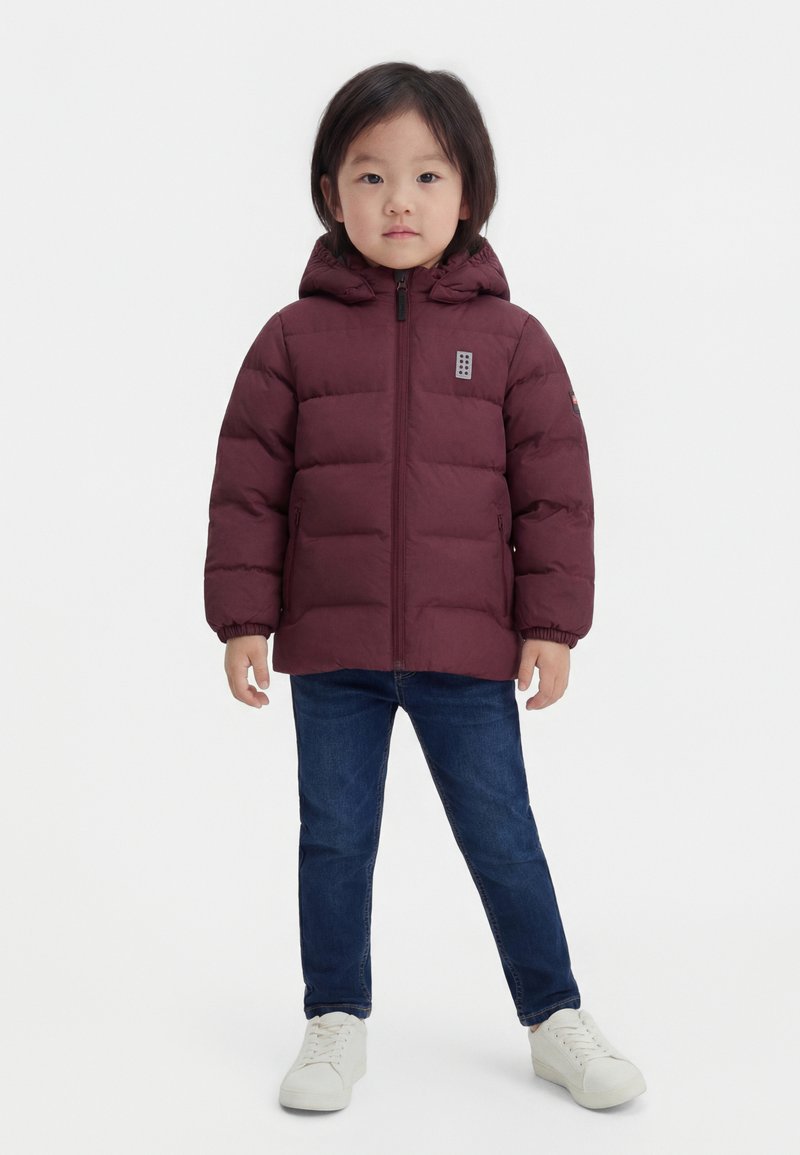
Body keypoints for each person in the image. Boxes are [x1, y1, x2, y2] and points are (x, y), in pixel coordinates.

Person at [203, 61, 646, 1114]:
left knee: (502, 836)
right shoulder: (291, 341)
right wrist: (242, 619)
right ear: (330, 193)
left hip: (467, 651)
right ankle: (333, 1020)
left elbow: (554, 493)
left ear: (469, 193)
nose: (398, 200)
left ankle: (553, 1018)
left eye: (426, 176)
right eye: (370, 176)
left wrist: (551, 626)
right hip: (333, 651)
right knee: (334, 839)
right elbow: (248, 486)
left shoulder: (511, 343)